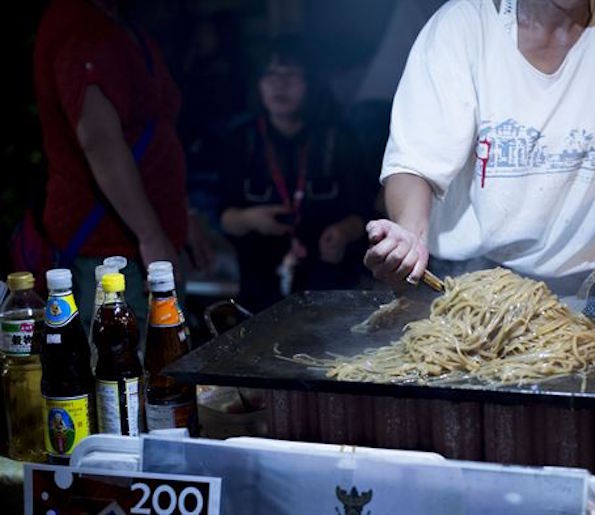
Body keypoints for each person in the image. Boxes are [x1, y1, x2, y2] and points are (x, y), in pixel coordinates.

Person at [364, 0, 595, 292]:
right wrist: (409, 235)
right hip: (462, 283)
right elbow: (415, 166)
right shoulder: (462, 27)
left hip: (586, 282)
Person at [33, 0, 212, 330]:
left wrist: (184, 215)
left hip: (143, 247)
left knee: (162, 362)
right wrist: (151, 237)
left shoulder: (119, 22)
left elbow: (153, 132)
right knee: (128, 371)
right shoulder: (78, 25)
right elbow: (100, 140)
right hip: (116, 255)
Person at [219, 35, 369, 311]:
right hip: (260, 286)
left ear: (311, 83)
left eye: (291, 76)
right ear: (259, 83)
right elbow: (224, 218)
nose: (280, 84)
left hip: (327, 284)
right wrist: (249, 218)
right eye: (271, 75)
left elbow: (363, 212)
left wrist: (343, 232)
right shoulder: (241, 139)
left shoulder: (336, 137)